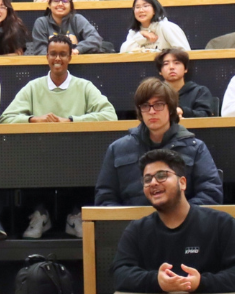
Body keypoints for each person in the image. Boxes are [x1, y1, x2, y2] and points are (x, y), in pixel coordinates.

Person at [109, 148, 235, 294]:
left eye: (161, 175)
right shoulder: (137, 230)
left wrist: (201, 283)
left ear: (183, 183)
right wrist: (156, 281)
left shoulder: (221, 223)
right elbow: (119, 273)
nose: (153, 183)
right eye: (147, 179)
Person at [94, 79, 224, 207]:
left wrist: (179, 214)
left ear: (170, 109)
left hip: (183, 220)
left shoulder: (195, 147)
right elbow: (104, 198)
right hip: (132, 220)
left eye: (158, 105)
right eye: (145, 106)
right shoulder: (118, 149)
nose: (152, 111)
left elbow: (211, 194)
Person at [1, 35, 116, 123]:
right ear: (47, 57)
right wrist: (34, 119)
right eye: (53, 54)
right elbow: (6, 118)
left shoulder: (85, 87)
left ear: (69, 58)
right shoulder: (33, 87)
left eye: (62, 54)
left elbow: (110, 115)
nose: (57, 58)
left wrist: (71, 121)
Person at [29, 0, 104, 55]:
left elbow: (95, 38)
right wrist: (58, 57)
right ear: (49, 4)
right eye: (56, 0)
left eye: (65, 1)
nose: (60, 4)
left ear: (71, 5)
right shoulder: (41, 22)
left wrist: (78, 50)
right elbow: (40, 50)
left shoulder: (77, 19)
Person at [156, 48, 215, 118]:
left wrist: (183, 111)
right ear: (160, 71)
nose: (171, 67)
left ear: (185, 69)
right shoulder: (153, 93)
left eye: (177, 63)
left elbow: (206, 116)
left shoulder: (200, 91)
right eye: (166, 64)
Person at [121, 0, 190, 54]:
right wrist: (141, 35)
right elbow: (123, 53)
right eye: (137, 7)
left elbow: (185, 53)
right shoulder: (134, 31)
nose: (141, 10)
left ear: (154, 10)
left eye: (145, 6)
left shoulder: (167, 27)